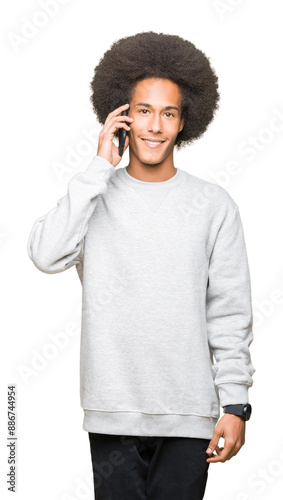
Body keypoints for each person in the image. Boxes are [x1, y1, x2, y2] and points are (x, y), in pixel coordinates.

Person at [27, 31, 256, 499]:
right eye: (143, 111)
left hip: (190, 415)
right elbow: (45, 254)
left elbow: (229, 312)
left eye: (167, 113)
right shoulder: (93, 198)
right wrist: (96, 168)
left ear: (184, 121)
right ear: (122, 117)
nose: (154, 126)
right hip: (113, 412)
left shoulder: (214, 206)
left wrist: (236, 404)